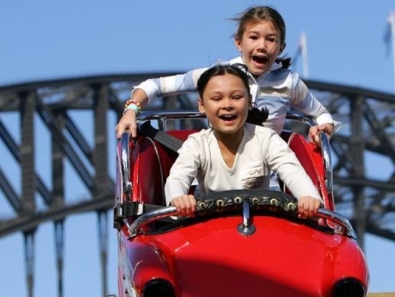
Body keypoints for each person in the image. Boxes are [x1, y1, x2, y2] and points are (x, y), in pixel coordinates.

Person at [115, 5, 339, 146]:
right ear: (238, 42)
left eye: (271, 40)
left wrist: (323, 129)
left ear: (281, 48)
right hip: (216, 178)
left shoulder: (289, 82)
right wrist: (131, 111)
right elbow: (154, 86)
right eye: (254, 37)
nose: (262, 46)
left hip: (267, 182)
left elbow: (322, 115)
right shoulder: (218, 76)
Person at [164, 63, 322, 219]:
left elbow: (292, 172)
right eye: (217, 98)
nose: (227, 105)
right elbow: (178, 177)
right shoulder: (197, 143)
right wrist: (178, 198)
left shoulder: (266, 138)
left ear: (249, 101)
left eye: (236, 97)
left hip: (259, 223)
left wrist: (308, 197)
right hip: (212, 224)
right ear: (202, 105)